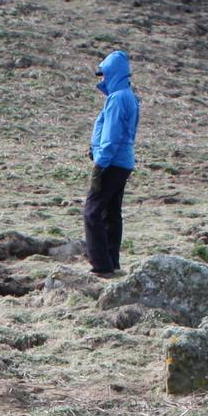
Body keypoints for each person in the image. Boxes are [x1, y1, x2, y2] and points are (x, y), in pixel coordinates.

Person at [84, 50, 141, 277]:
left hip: (113, 162)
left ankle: (101, 265)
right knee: (111, 211)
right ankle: (112, 261)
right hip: (124, 162)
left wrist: (100, 163)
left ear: (113, 74)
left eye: (104, 74)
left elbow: (112, 134)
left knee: (92, 212)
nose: (102, 79)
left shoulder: (117, 99)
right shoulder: (128, 96)